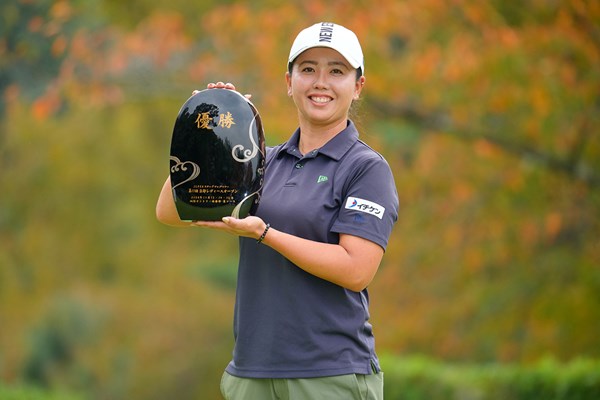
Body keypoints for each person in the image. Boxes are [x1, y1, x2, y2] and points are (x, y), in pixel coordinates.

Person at [156, 22, 399, 400]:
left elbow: (356, 269)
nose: (321, 82)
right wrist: (209, 130)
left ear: (358, 86)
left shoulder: (366, 168)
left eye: (336, 71)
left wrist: (265, 234)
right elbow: (171, 212)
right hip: (251, 373)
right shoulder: (261, 162)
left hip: (328, 374)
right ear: (289, 82)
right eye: (308, 70)